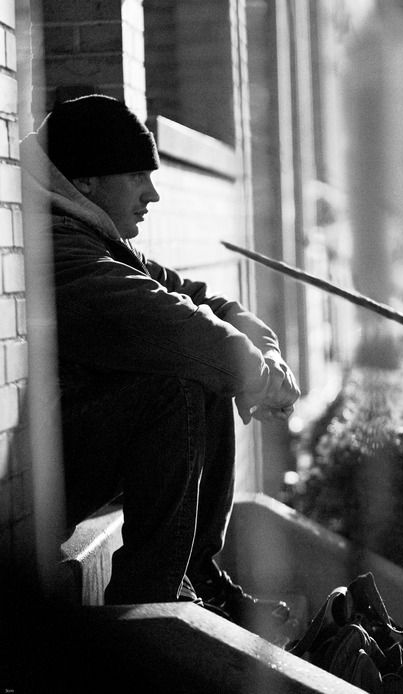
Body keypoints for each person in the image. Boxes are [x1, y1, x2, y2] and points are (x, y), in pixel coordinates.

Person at [21, 95, 300, 634]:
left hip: (70, 452)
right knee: (181, 377)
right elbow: (187, 332)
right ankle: (154, 604)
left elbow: (211, 306)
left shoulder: (94, 236)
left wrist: (265, 359)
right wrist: (258, 378)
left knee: (203, 360)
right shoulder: (60, 250)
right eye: (135, 177)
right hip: (38, 483)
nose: (152, 194)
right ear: (85, 182)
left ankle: (196, 573)